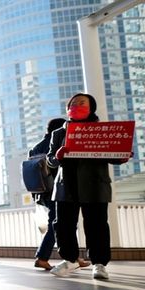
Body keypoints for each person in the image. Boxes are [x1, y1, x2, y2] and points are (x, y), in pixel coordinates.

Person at [47, 93, 130, 280]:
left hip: (95, 185)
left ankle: (99, 263)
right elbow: (50, 160)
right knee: (63, 225)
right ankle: (69, 259)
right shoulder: (59, 133)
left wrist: (121, 156)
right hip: (66, 185)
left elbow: (112, 156)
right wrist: (57, 157)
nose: (76, 105)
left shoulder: (101, 131)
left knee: (97, 225)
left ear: (91, 107)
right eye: (73, 103)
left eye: (81, 103)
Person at [29, 118, 92, 271]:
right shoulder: (58, 141)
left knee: (64, 222)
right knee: (59, 223)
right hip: (57, 189)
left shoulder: (35, 147)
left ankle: (75, 257)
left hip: (40, 191)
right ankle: (42, 257)